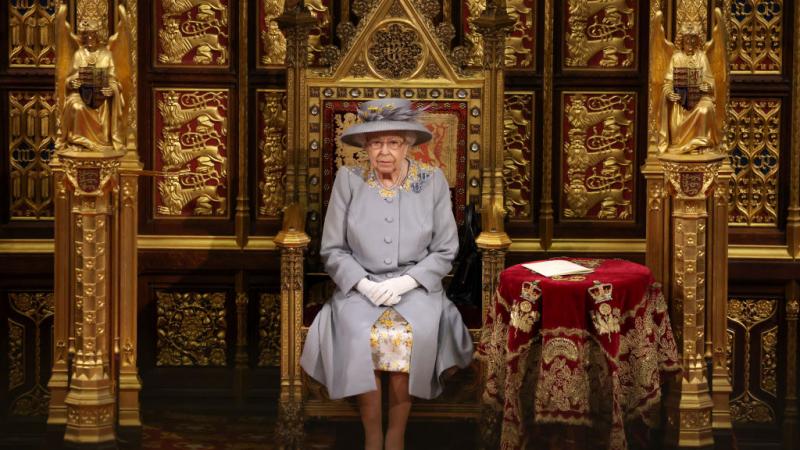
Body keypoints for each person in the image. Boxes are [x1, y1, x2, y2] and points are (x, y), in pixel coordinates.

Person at [300, 99, 474, 450]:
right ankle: (372, 436)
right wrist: (362, 283)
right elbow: (332, 249)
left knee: (409, 334)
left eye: (393, 142)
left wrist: (407, 282)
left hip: (418, 288)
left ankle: (396, 436)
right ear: (365, 146)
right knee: (359, 332)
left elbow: (445, 249)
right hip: (358, 288)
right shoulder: (348, 181)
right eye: (376, 143)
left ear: (408, 144)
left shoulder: (432, 180)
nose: (384, 152)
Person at [61, 18, 125, 152]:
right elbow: (69, 79)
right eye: (87, 35)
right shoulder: (79, 54)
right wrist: (73, 83)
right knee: (76, 106)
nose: (90, 38)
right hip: (80, 95)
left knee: (104, 105)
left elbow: (114, 80)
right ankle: (79, 141)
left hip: (100, 96)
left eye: (93, 34)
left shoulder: (107, 55)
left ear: (98, 35)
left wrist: (111, 90)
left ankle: (103, 141)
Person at [661, 21, 719, 154]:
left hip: (699, 99)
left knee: (706, 109)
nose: (690, 43)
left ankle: (700, 145)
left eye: (693, 40)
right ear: (682, 41)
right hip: (680, 101)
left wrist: (707, 86)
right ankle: (681, 144)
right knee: (677, 117)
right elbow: (668, 82)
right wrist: (670, 93)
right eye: (687, 40)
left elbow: (709, 80)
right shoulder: (676, 58)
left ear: (697, 41)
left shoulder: (702, 57)